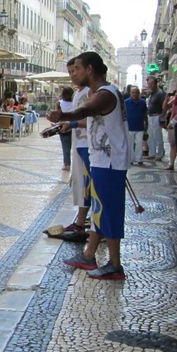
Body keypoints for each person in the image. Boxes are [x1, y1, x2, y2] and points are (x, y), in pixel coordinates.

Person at [48, 52, 131, 280]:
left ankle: (115, 265)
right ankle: (89, 255)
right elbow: (90, 118)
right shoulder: (102, 93)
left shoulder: (105, 94)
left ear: (90, 70)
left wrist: (63, 114)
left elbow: (86, 110)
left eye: (77, 68)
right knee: (101, 211)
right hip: (103, 161)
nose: (74, 74)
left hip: (110, 162)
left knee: (110, 213)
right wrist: (71, 123)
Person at [59, 56, 91, 234]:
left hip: (88, 144)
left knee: (87, 185)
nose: (72, 75)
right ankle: (80, 221)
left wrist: (71, 123)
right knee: (80, 185)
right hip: (79, 143)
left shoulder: (90, 92)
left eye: (75, 70)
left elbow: (91, 120)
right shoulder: (78, 92)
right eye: (70, 71)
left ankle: (90, 225)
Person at [124, 86, 148, 166]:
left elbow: (145, 114)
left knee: (139, 143)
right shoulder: (126, 102)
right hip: (129, 126)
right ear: (130, 93)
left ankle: (139, 159)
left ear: (139, 93)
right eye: (133, 92)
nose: (134, 94)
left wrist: (146, 124)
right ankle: (131, 159)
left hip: (140, 126)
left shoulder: (143, 102)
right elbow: (123, 114)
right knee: (130, 143)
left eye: (136, 92)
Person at [145, 77, 166, 160]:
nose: (149, 85)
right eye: (148, 84)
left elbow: (164, 105)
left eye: (151, 84)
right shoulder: (152, 93)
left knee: (158, 136)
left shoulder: (160, 93)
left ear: (155, 84)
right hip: (150, 116)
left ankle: (160, 154)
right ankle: (152, 153)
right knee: (151, 136)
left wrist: (162, 116)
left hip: (156, 116)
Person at [58, 86, 74, 171]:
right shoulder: (75, 103)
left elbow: (58, 116)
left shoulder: (59, 103)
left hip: (63, 127)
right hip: (74, 126)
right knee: (73, 147)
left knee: (65, 147)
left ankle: (67, 164)